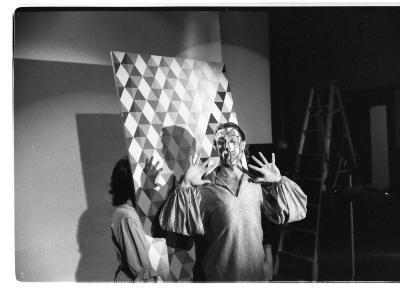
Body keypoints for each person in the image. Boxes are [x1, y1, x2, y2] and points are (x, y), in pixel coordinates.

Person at [158, 122, 307, 281]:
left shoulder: (256, 182)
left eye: (233, 141)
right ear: (216, 146)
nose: (227, 146)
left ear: (242, 145)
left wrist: (278, 182)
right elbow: (174, 226)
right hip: (218, 279)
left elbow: (294, 212)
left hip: (254, 276)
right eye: (221, 142)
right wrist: (185, 184)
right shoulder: (204, 187)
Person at [109, 156, 161, 282]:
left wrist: (146, 184)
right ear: (131, 183)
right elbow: (142, 270)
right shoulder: (127, 217)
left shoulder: (125, 212)